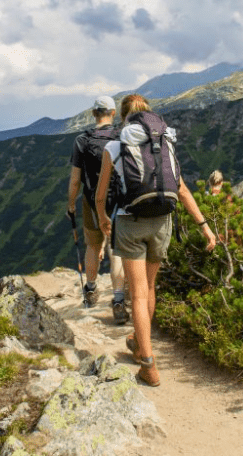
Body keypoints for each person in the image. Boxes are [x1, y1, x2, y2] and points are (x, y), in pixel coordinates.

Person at [96, 94, 216, 387]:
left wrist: (102, 216)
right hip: (163, 221)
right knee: (149, 288)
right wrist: (205, 228)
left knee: (136, 293)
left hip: (131, 221)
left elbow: (100, 195)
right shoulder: (165, 144)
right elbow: (183, 190)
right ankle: (139, 343)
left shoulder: (115, 146)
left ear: (124, 117)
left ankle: (147, 363)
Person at [67, 95, 130, 324]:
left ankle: (91, 289)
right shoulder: (121, 136)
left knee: (93, 246)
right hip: (120, 200)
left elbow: (75, 180)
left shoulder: (81, 141)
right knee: (117, 253)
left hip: (92, 200)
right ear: (113, 114)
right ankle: (119, 301)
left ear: (94, 114)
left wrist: (71, 203)